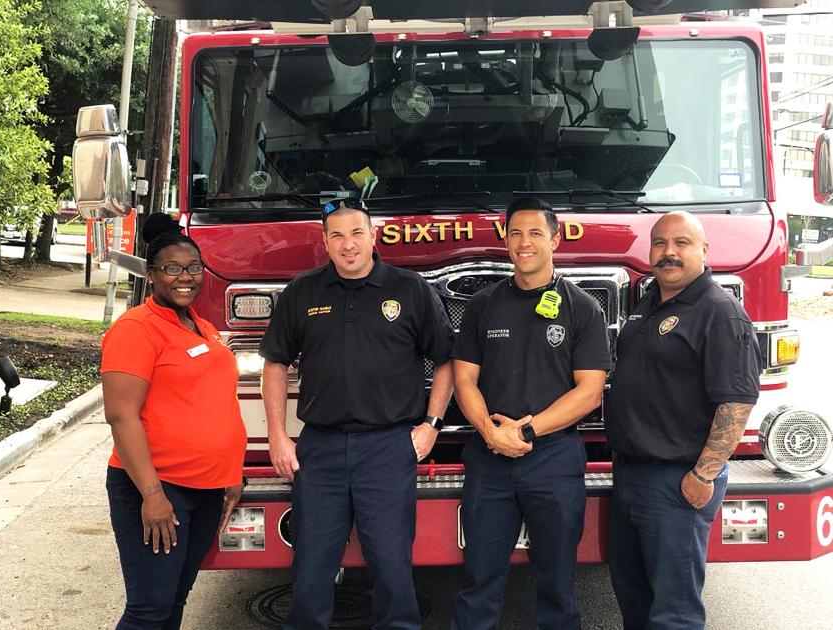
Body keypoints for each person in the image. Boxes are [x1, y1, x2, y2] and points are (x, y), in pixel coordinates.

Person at [260, 198, 454, 630]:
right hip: (320, 448)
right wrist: (277, 434)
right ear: (324, 241)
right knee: (311, 567)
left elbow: (446, 360)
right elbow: (275, 363)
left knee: (391, 565)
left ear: (374, 236)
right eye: (338, 236)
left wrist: (431, 425)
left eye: (357, 234)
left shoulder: (410, 289)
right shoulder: (303, 292)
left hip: (389, 446)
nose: (348, 245)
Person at [451, 196, 611, 630]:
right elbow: (464, 379)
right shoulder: (482, 306)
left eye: (536, 233)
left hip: (554, 459)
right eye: (516, 233)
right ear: (505, 239)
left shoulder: (582, 308)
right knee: (478, 579)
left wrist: (526, 431)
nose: (525, 243)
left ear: (555, 239)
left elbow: (590, 390)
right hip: (489, 460)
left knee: (556, 583)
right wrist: (488, 431)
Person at [605, 211, 762, 630]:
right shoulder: (649, 303)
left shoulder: (720, 312)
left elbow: (737, 401)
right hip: (631, 475)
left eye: (682, 243)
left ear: (704, 250)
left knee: (674, 611)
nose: (669, 252)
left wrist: (704, 474)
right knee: (634, 598)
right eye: (660, 243)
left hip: (677, 482)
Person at [102, 213, 247, 629]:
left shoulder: (202, 328)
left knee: (175, 602)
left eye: (194, 268)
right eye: (171, 269)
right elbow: (121, 415)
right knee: (149, 610)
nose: (185, 277)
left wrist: (232, 471)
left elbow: (219, 404)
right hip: (158, 489)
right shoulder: (136, 329)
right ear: (150, 275)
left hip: (206, 490)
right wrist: (152, 494)